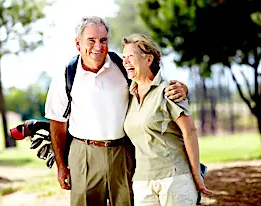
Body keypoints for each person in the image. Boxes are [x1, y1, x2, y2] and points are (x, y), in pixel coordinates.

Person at [44, 16, 188, 206]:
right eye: (91, 40)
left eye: (103, 40)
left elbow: (154, 87)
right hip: (83, 155)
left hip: (123, 153)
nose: (98, 46)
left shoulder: (123, 67)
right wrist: (61, 166)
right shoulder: (65, 75)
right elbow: (57, 123)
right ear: (78, 44)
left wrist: (183, 89)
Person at [122, 33, 212, 206]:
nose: (125, 62)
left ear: (148, 60)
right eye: (124, 57)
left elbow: (189, 131)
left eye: (131, 57)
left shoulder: (169, 91)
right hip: (142, 181)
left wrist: (196, 175)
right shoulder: (129, 95)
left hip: (174, 177)